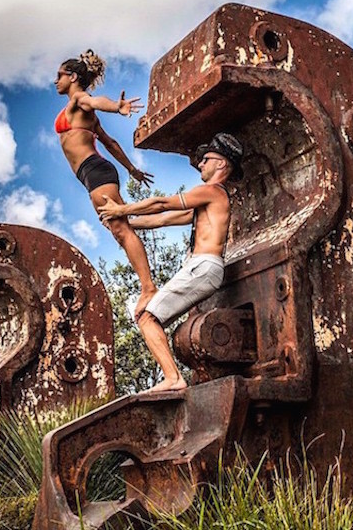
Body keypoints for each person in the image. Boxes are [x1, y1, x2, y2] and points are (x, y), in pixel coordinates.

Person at [98, 133, 244, 392]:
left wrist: (121, 210)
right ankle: (172, 377)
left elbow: (162, 204)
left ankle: (173, 379)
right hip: (201, 268)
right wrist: (122, 224)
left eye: (206, 159)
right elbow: (163, 220)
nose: (200, 164)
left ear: (221, 164)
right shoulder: (208, 204)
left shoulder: (212, 192)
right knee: (145, 317)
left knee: (146, 317)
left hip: (204, 266)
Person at [55, 49, 157, 317]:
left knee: (121, 229)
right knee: (118, 229)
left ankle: (148, 288)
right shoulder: (79, 111)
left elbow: (95, 101)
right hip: (92, 174)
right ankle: (163, 218)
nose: (56, 81)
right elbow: (109, 143)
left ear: (73, 76)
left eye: (59, 76)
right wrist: (132, 169)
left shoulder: (79, 99)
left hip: (95, 170)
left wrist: (116, 106)